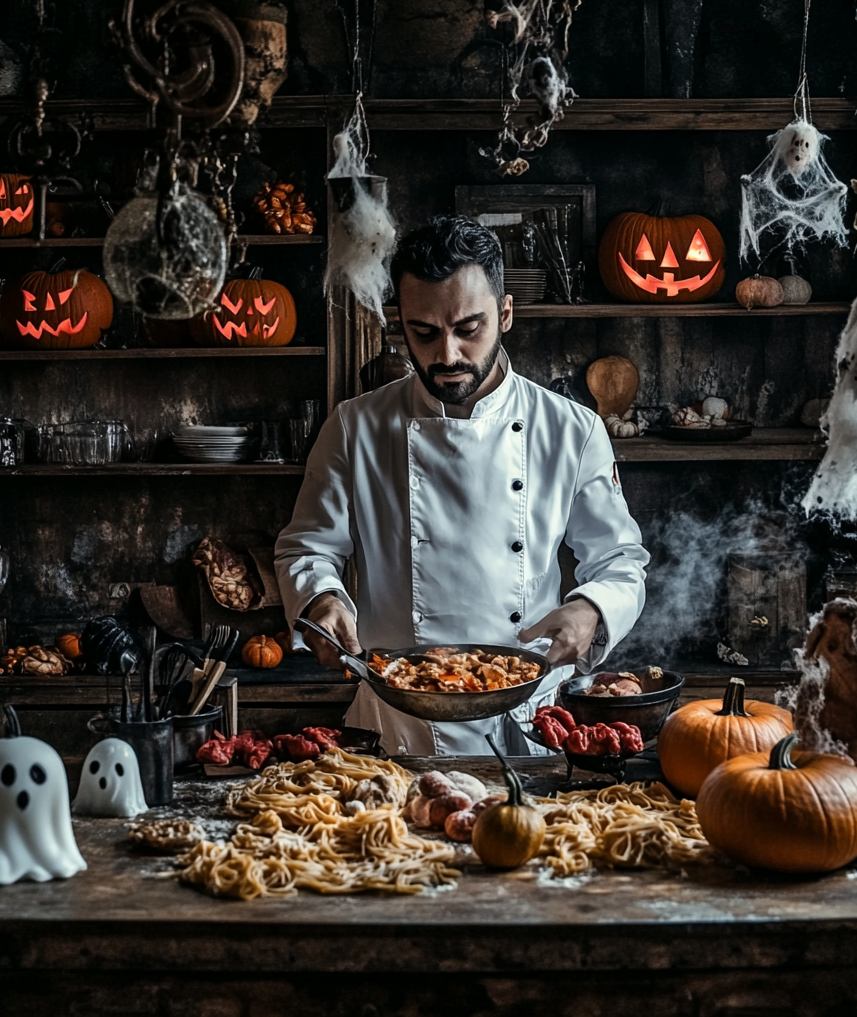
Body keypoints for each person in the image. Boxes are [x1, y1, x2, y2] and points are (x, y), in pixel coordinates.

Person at [274, 215, 649, 755]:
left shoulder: (572, 428)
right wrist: (321, 600)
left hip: (526, 721)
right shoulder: (355, 426)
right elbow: (307, 546)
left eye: (468, 329)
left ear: (506, 313)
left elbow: (618, 559)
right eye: (423, 333)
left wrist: (592, 608)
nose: (446, 355)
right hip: (395, 724)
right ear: (400, 323)